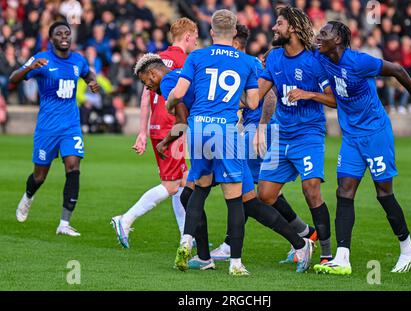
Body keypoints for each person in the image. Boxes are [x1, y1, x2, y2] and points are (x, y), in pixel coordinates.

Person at [313, 21, 411, 275]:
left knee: (383, 193)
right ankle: (342, 258)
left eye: (324, 33)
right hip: (351, 136)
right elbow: (296, 47)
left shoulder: (359, 62)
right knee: (344, 190)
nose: (318, 37)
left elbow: (397, 69)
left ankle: (408, 249)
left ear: (339, 40)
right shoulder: (320, 56)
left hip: (375, 132)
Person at [209, 24, 318, 265]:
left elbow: (268, 96)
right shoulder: (245, 63)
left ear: (235, 42)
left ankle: (230, 245)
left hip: (259, 133)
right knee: (264, 193)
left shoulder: (250, 64)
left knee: (243, 191)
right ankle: (304, 234)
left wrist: (259, 128)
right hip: (257, 131)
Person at [166, 9, 259, 276]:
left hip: (198, 128)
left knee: (199, 189)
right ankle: (235, 264)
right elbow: (253, 102)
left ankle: (186, 243)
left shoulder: (196, 56)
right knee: (233, 198)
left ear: (211, 31)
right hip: (225, 131)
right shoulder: (247, 62)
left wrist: (171, 103)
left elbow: (179, 93)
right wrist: (232, 101)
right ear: (234, 32)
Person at [254, 6, 335, 266]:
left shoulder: (315, 60)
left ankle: (326, 254)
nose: (274, 28)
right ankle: (305, 234)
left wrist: (308, 93)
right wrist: (235, 101)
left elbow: (334, 99)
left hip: (309, 133)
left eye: (279, 24)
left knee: (311, 189)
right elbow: (256, 95)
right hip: (282, 133)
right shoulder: (275, 58)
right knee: (265, 195)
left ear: (292, 28)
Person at [111, 18, 199, 249]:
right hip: (173, 126)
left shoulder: (155, 60)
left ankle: (185, 239)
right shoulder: (185, 61)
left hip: (156, 126)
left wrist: (142, 131)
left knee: (182, 182)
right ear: (188, 36)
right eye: (196, 37)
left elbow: (145, 97)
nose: (196, 42)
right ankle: (125, 219)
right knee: (171, 185)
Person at [10, 21, 99, 236]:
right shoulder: (42, 59)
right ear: (51, 39)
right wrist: (29, 68)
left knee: (73, 168)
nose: (64, 36)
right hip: (47, 128)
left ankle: (64, 224)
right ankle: (28, 197)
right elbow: (13, 79)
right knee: (40, 176)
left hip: (71, 126)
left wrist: (92, 83)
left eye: (67, 33)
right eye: (59, 33)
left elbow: (88, 75)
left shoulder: (78, 60)